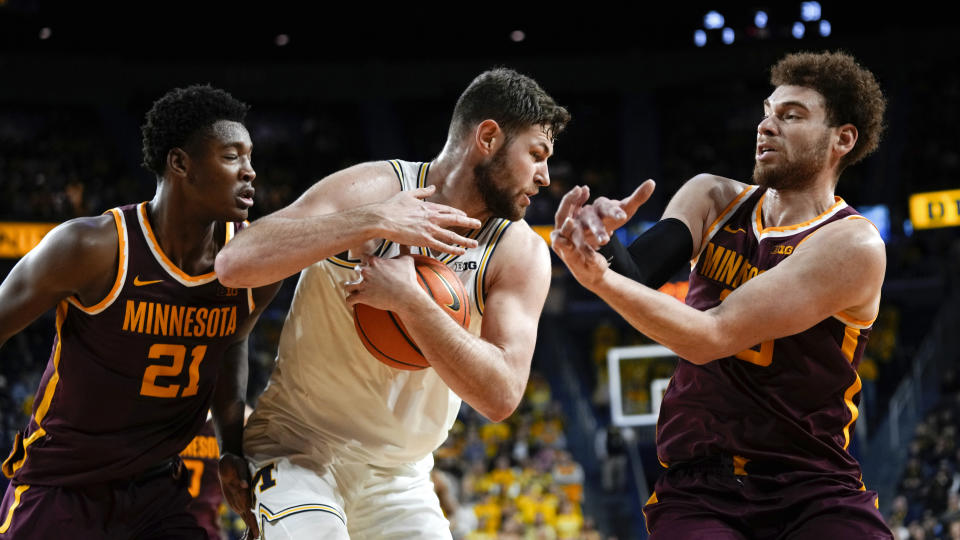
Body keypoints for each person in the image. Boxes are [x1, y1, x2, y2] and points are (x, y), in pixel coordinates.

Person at [214, 68, 570, 539]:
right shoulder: (375, 189)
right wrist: (371, 221)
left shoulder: (518, 252)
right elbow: (235, 263)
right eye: (537, 155)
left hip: (400, 476)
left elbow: (500, 396)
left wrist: (408, 300)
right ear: (488, 136)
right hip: (299, 446)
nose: (545, 176)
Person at [551, 51, 891, 538]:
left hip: (810, 484)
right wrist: (598, 242)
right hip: (699, 486)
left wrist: (599, 278)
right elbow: (637, 274)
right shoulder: (712, 197)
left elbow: (710, 336)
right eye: (766, 112)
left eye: (791, 116)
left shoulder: (852, 243)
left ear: (843, 139)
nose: (767, 126)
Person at [0, 85, 280, 538]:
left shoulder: (254, 264)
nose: (250, 172)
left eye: (250, 157)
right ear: (180, 163)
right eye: (232, 157)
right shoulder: (91, 248)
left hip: (156, 492)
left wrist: (231, 449)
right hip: (61, 485)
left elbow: (231, 344)